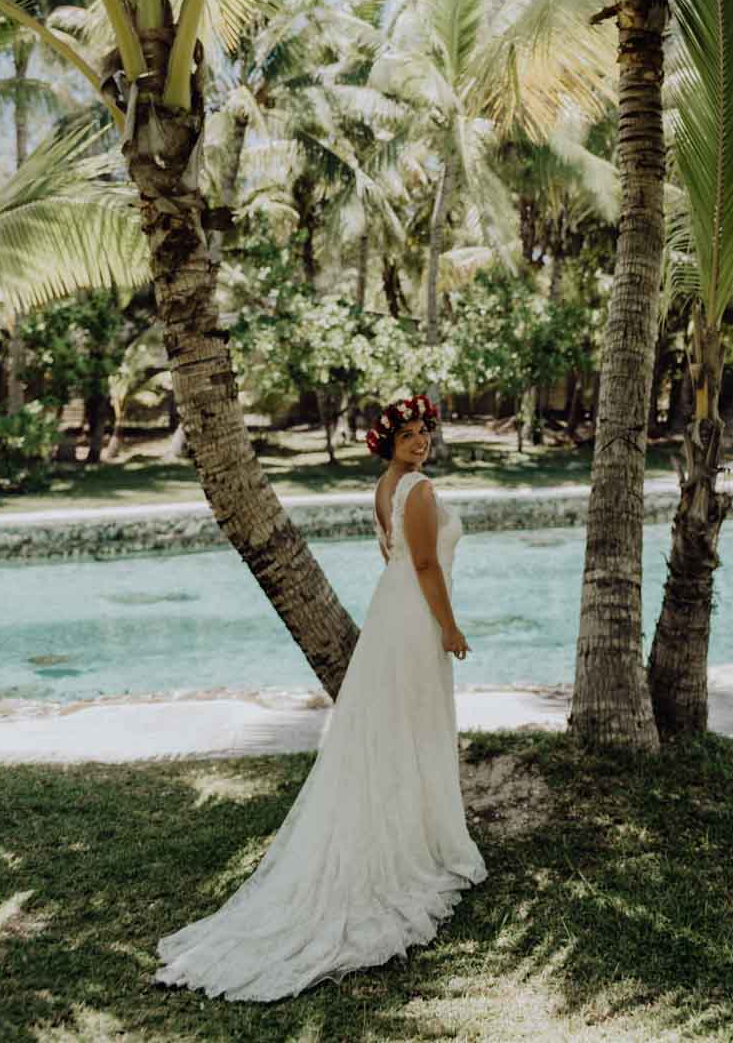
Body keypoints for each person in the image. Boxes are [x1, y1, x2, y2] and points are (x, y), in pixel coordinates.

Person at [153, 391, 486, 1002]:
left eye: (424, 432)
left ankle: (415, 827)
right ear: (390, 440)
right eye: (409, 434)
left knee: (399, 727)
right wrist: (450, 626)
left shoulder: (386, 487)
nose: (420, 441)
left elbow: (390, 558)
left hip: (391, 618)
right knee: (415, 723)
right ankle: (417, 842)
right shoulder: (419, 490)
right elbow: (423, 565)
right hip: (413, 620)